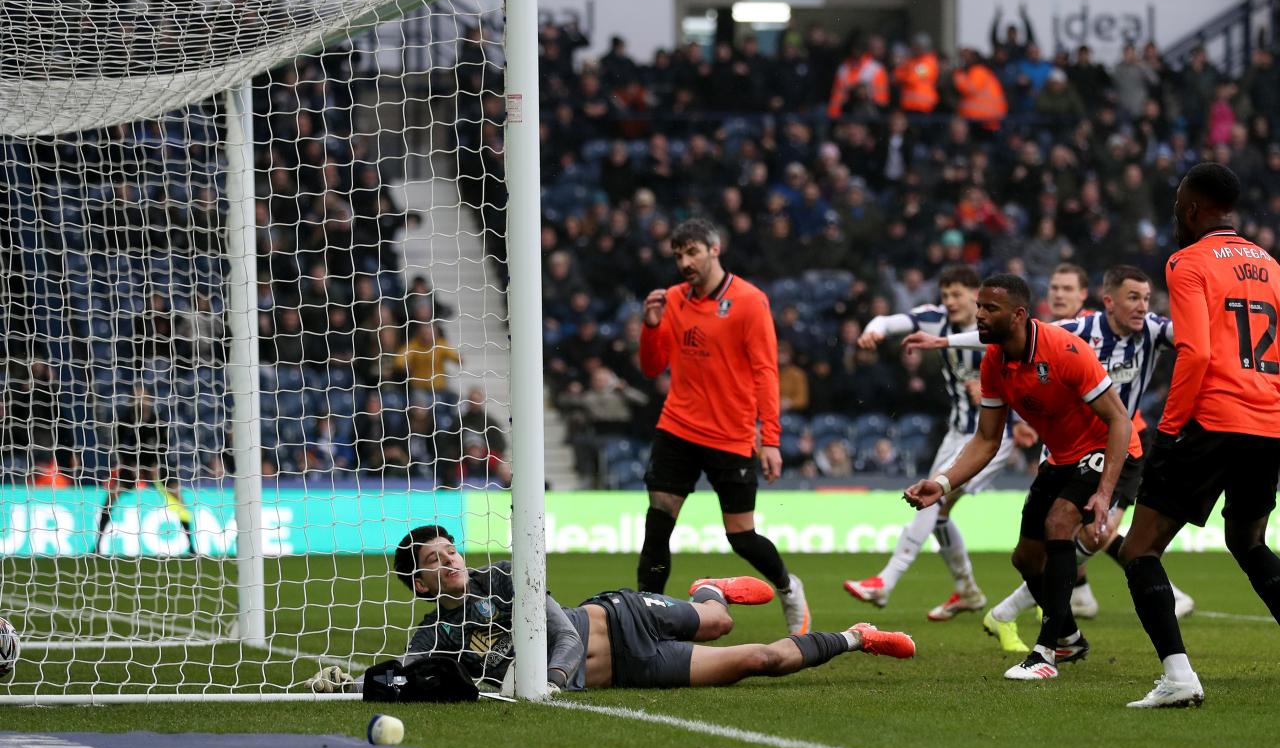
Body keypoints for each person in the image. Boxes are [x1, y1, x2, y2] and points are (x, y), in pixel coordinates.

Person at [909, 265, 1195, 651]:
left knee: (1066, 524)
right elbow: (986, 439)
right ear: (1108, 301)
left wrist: (1104, 492)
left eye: (989, 309)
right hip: (1061, 455)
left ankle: (1045, 650)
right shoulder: (998, 359)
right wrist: (942, 483)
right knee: (1027, 559)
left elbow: (1120, 420)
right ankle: (1071, 636)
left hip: (1114, 445)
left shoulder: (1066, 348)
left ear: (1018, 315)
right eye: (979, 306)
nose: (978, 314)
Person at [307, 525, 915, 695]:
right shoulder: (436, 631)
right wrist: (344, 684)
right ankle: (858, 635)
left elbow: (561, 636)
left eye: (451, 551)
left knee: (722, 619)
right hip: (632, 669)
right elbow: (408, 670)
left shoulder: (505, 577)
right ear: (420, 586)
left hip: (620, 616)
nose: (452, 562)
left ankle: (708, 586)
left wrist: (548, 682)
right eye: (436, 563)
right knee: (756, 659)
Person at [1118, 163, 1280, 708]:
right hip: (1268, 423)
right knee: (1249, 541)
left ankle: (1179, 676)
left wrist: (1169, 428)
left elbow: (1198, 352)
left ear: (1191, 208)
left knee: (1139, 549)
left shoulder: (1187, 262)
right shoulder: (1271, 264)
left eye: (1177, 206)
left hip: (1211, 420)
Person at [636, 218, 810, 633]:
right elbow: (651, 366)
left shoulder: (750, 301)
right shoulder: (674, 300)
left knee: (741, 537)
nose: (685, 262)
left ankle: (789, 588)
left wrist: (770, 439)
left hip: (731, 435)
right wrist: (651, 324)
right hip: (677, 427)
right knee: (658, 523)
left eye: (692, 251)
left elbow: (766, 370)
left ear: (715, 250)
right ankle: (644, 619)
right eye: (678, 255)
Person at [844, 265, 1014, 621]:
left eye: (957, 295)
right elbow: (889, 321)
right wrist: (873, 331)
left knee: (933, 499)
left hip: (996, 435)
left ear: (975, 296)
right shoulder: (935, 320)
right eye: (945, 295)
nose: (949, 302)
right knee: (939, 512)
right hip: (957, 431)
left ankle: (886, 581)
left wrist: (995, 393)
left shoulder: (997, 326)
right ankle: (967, 590)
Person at [94, 386, 196, 556]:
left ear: (149, 400)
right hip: (132, 465)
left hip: (156, 465)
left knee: (178, 500)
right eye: (137, 398)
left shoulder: (159, 421)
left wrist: (156, 465)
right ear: (131, 401)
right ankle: (97, 545)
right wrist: (129, 465)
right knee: (111, 497)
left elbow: (164, 447)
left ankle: (191, 545)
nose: (140, 402)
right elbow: (119, 447)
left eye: (143, 398)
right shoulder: (124, 421)